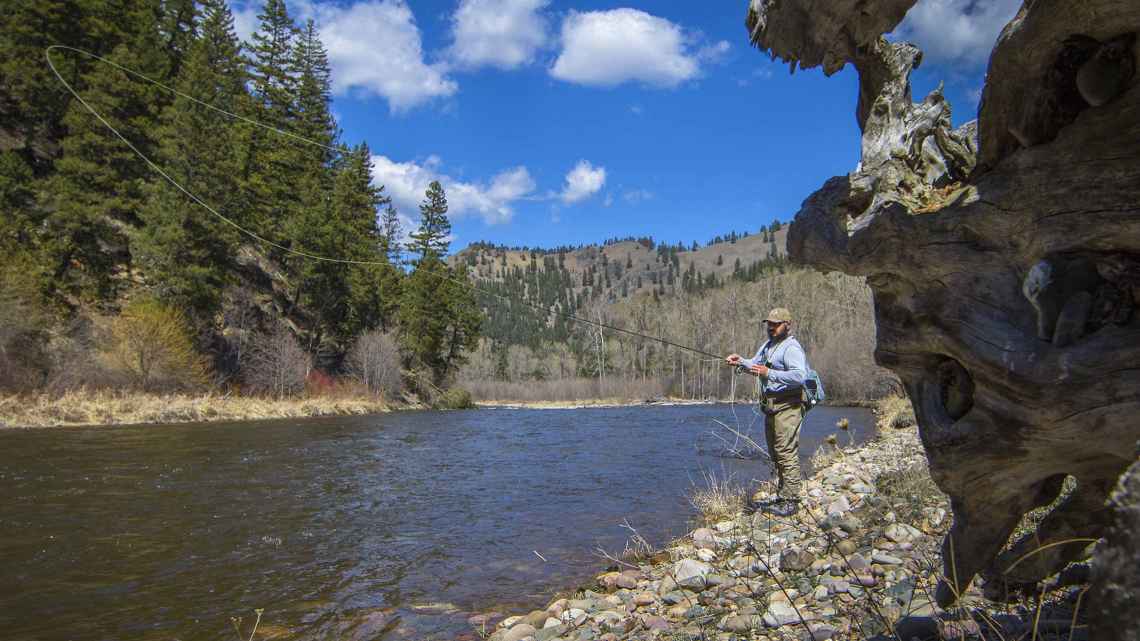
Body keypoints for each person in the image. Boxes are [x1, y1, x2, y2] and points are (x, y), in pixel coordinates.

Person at [725, 307, 808, 517]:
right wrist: (740, 362)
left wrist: (769, 373)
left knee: (786, 451)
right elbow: (755, 364)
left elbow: (800, 376)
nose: (771, 327)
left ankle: (791, 500)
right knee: (775, 452)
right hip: (772, 406)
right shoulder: (768, 345)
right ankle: (782, 494)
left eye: (776, 324)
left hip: (788, 405)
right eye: (769, 324)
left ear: (787, 325)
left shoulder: (791, 347)